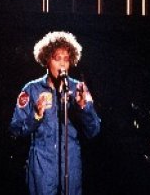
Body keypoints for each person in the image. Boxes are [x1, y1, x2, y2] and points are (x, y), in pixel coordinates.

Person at [10, 30, 101, 195]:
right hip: (42, 165)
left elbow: (94, 130)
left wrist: (83, 108)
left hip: (70, 164)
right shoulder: (31, 89)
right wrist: (36, 116)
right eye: (57, 58)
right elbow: (15, 129)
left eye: (66, 59)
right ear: (46, 60)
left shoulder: (78, 89)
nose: (62, 64)